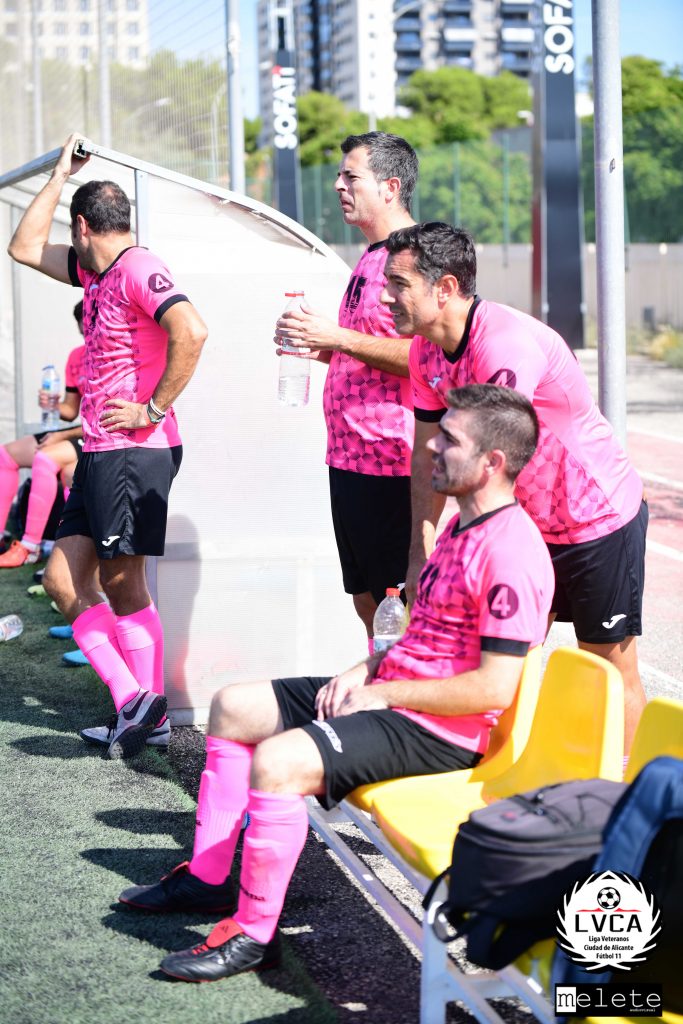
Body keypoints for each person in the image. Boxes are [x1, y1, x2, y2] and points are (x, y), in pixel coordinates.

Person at [117, 384, 554, 984]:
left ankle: (254, 935)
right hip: (396, 696)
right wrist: (363, 670)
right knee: (234, 706)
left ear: (491, 463)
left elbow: (495, 689)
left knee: (278, 762)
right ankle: (208, 879)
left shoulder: (512, 553)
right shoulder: (460, 526)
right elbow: (426, 641)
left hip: (442, 733)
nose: (430, 446)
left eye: (449, 439)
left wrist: (382, 693)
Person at [381, 222, 647, 756]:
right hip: (526, 527)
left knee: (608, 672)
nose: (386, 296)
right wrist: (419, 551)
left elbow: (492, 463)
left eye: (399, 284)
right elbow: (427, 454)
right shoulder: (422, 352)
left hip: (594, 520)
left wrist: (456, 552)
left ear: (446, 288)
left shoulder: (504, 345)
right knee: (502, 664)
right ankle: (499, 784)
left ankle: (634, 795)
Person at [7, 132, 208, 759]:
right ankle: (135, 704)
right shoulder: (95, 271)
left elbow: (192, 330)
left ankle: (146, 712)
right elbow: (23, 247)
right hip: (99, 452)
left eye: (74, 233)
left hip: (135, 452)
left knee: (123, 583)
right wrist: (59, 175)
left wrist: (153, 408)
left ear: (84, 228)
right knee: (63, 580)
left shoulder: (138, 266)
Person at [274, 132, 418, 648]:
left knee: (397, 606)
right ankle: (382, 686)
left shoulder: (415, 256)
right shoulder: (369, 256)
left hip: (391, 463)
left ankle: (405, 694)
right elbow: (367, 350)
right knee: (367, 603)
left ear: (390, 187)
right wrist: (316, 345)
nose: (338, 185)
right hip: (349, 459)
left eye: (351, 176)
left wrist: (334, 337)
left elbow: (427, 356)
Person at [0, 300, 86, 568]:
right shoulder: (77, 356)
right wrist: (53, 405)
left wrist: (61, 436)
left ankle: (30, 546)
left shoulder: (114, 356)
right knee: (6, 456)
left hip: (98, 434)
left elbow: (102, 419)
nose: (87, 336)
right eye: (83, 331)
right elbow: (71, 410)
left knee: (46, 459)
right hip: (79, 429)